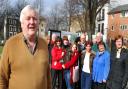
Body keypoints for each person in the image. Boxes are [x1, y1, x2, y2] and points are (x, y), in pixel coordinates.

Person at [0, 5, 51, 89]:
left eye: (35, 19)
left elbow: (47, 75)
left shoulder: (44, 44)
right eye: (28, 18)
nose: (32, 22)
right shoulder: (10, 44)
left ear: (38, 23)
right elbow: (2, 77)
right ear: (22, 23)